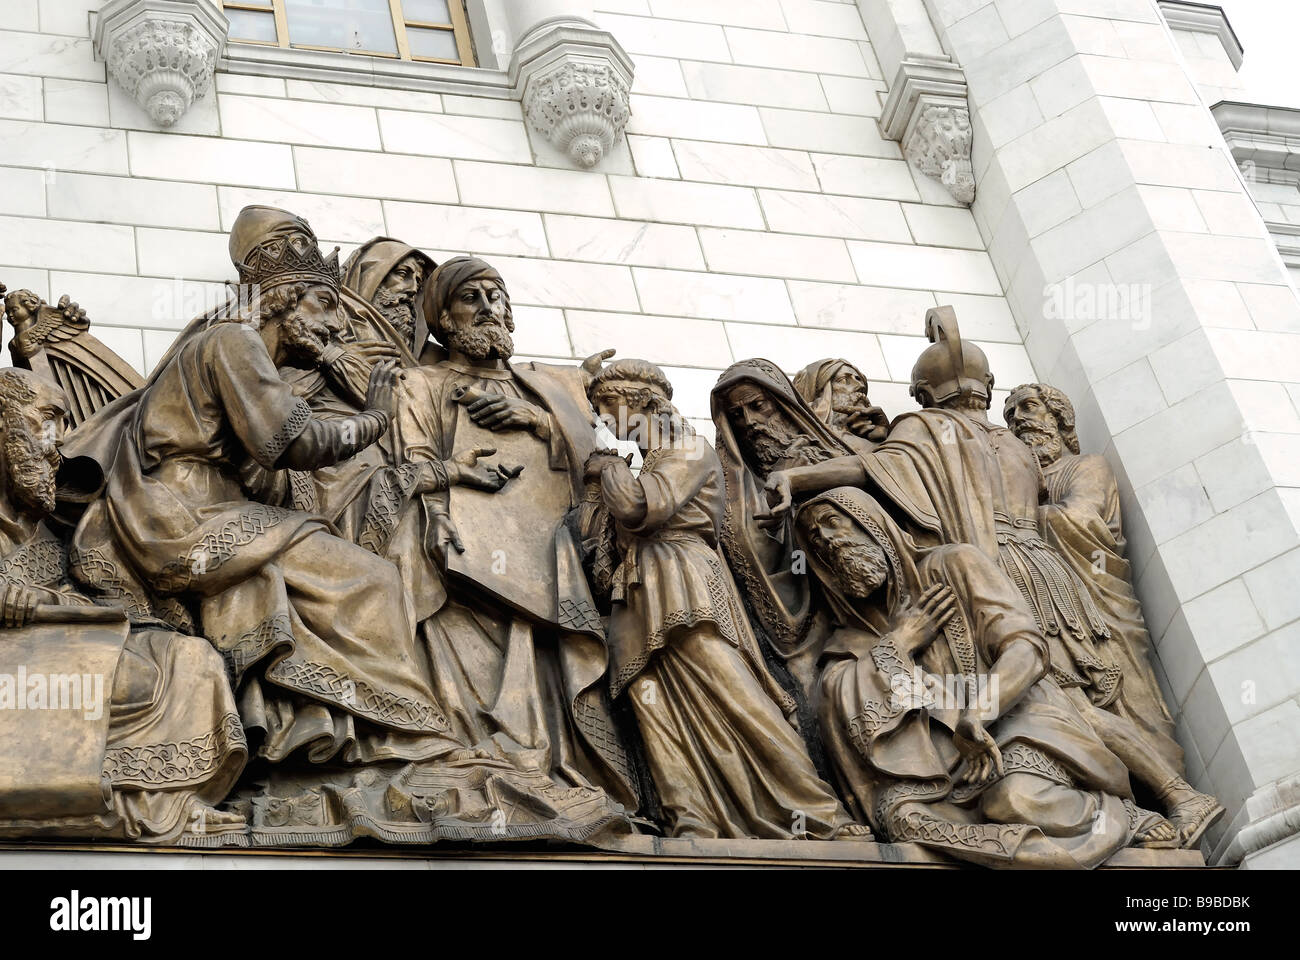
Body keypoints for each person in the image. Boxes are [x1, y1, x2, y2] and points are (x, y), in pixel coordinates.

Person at [762, 307, 1222, 847]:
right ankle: (1167, 793)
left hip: (997, 566)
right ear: (985, 388)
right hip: (1051, 572)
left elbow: (873, 469)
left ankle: (1176, 796)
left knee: (1062, 700)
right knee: (1076, 700)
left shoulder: (927, 429)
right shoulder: (1015, 445)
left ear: (924, 395)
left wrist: (797, 475)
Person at [389, 256, 640, 833]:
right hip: (469, 559)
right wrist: (435, 515)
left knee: (550, 657)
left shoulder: (545, 384)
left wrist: (535, 418)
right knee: (472, 656)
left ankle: (560, 773)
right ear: (444, 321)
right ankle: (486, 761)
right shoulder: (422, 382)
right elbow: (414, 458)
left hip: (555, 555)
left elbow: (602, 459)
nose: (488, 308)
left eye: (496, 296)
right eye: (470, 298)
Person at [796, 487, 1175, 867]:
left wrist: (978, 714)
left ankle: (1118, 816)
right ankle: (1030, 854)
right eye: (815, 539)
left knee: (1013, 799)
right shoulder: (849, 640)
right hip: (930, 766)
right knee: (907, 822)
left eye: (833, 523)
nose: (827, 541)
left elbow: (1026, 649)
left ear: (873, 525)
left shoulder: (955, 565)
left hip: (1013, 723)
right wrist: (900, 642)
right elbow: (839, 699)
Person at [586, 359, 867, 840]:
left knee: (732, 692)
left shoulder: (687, 449)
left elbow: (640, 508)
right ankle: (690, 815)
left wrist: (608, 469)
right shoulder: (646, 462)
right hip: (635, 593)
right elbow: (603, 547)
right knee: (652, 700)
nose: (604, 420)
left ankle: (818, 811)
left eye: (608, 405)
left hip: (683, 578)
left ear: (642, 401)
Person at [0, 367, 246, 843]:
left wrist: (60, 602)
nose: (60, 443)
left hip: (52, 645)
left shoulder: (47, 532)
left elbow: (72, 598)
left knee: (187, 659)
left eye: (66, 423)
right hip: (17, 665)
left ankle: (163, 804)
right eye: (48, 418)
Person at [710, 359, 853, 701]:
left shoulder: (830, 451)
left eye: (758, 406)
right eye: (737, 415)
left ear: (782, 401)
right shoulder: (734, 489)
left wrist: (796, 480)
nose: (750, 423)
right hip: (787, 627)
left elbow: (873, 471)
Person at [793, 357, 890, 453]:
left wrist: (883, 435)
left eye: (858, 379)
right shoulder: (799, 441)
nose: (861, 386)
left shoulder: (885, 437)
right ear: (821, 394)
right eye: (843, 380)